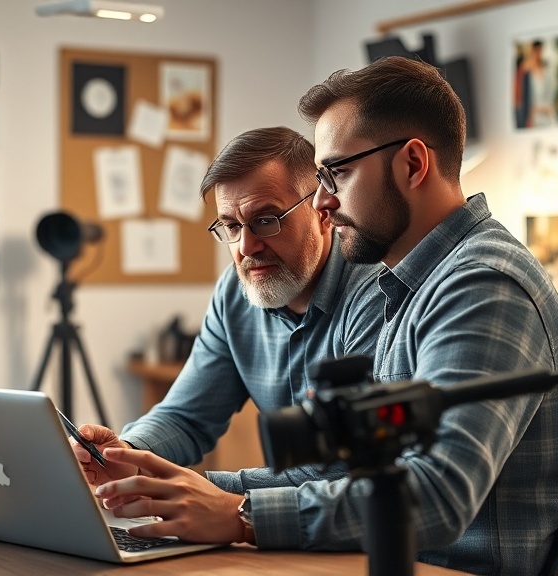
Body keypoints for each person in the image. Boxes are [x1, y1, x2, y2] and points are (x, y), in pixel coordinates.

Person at [94, 57, 558, 576]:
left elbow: (435, 495)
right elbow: (374, 470)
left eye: (337, 173)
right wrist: (144, 470)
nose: (323, 202)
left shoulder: (482, 286)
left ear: (414, 164)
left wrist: (236, 510)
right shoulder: (412, 283)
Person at [73, 126, 385, 543]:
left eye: (265, 220)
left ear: (322, 212)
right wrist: (128, 455)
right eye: (230, 227)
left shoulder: (377, 291)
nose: (245, 247)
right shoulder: (235, 292)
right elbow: (186, 416)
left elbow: (343, 473)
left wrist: (206, 493)